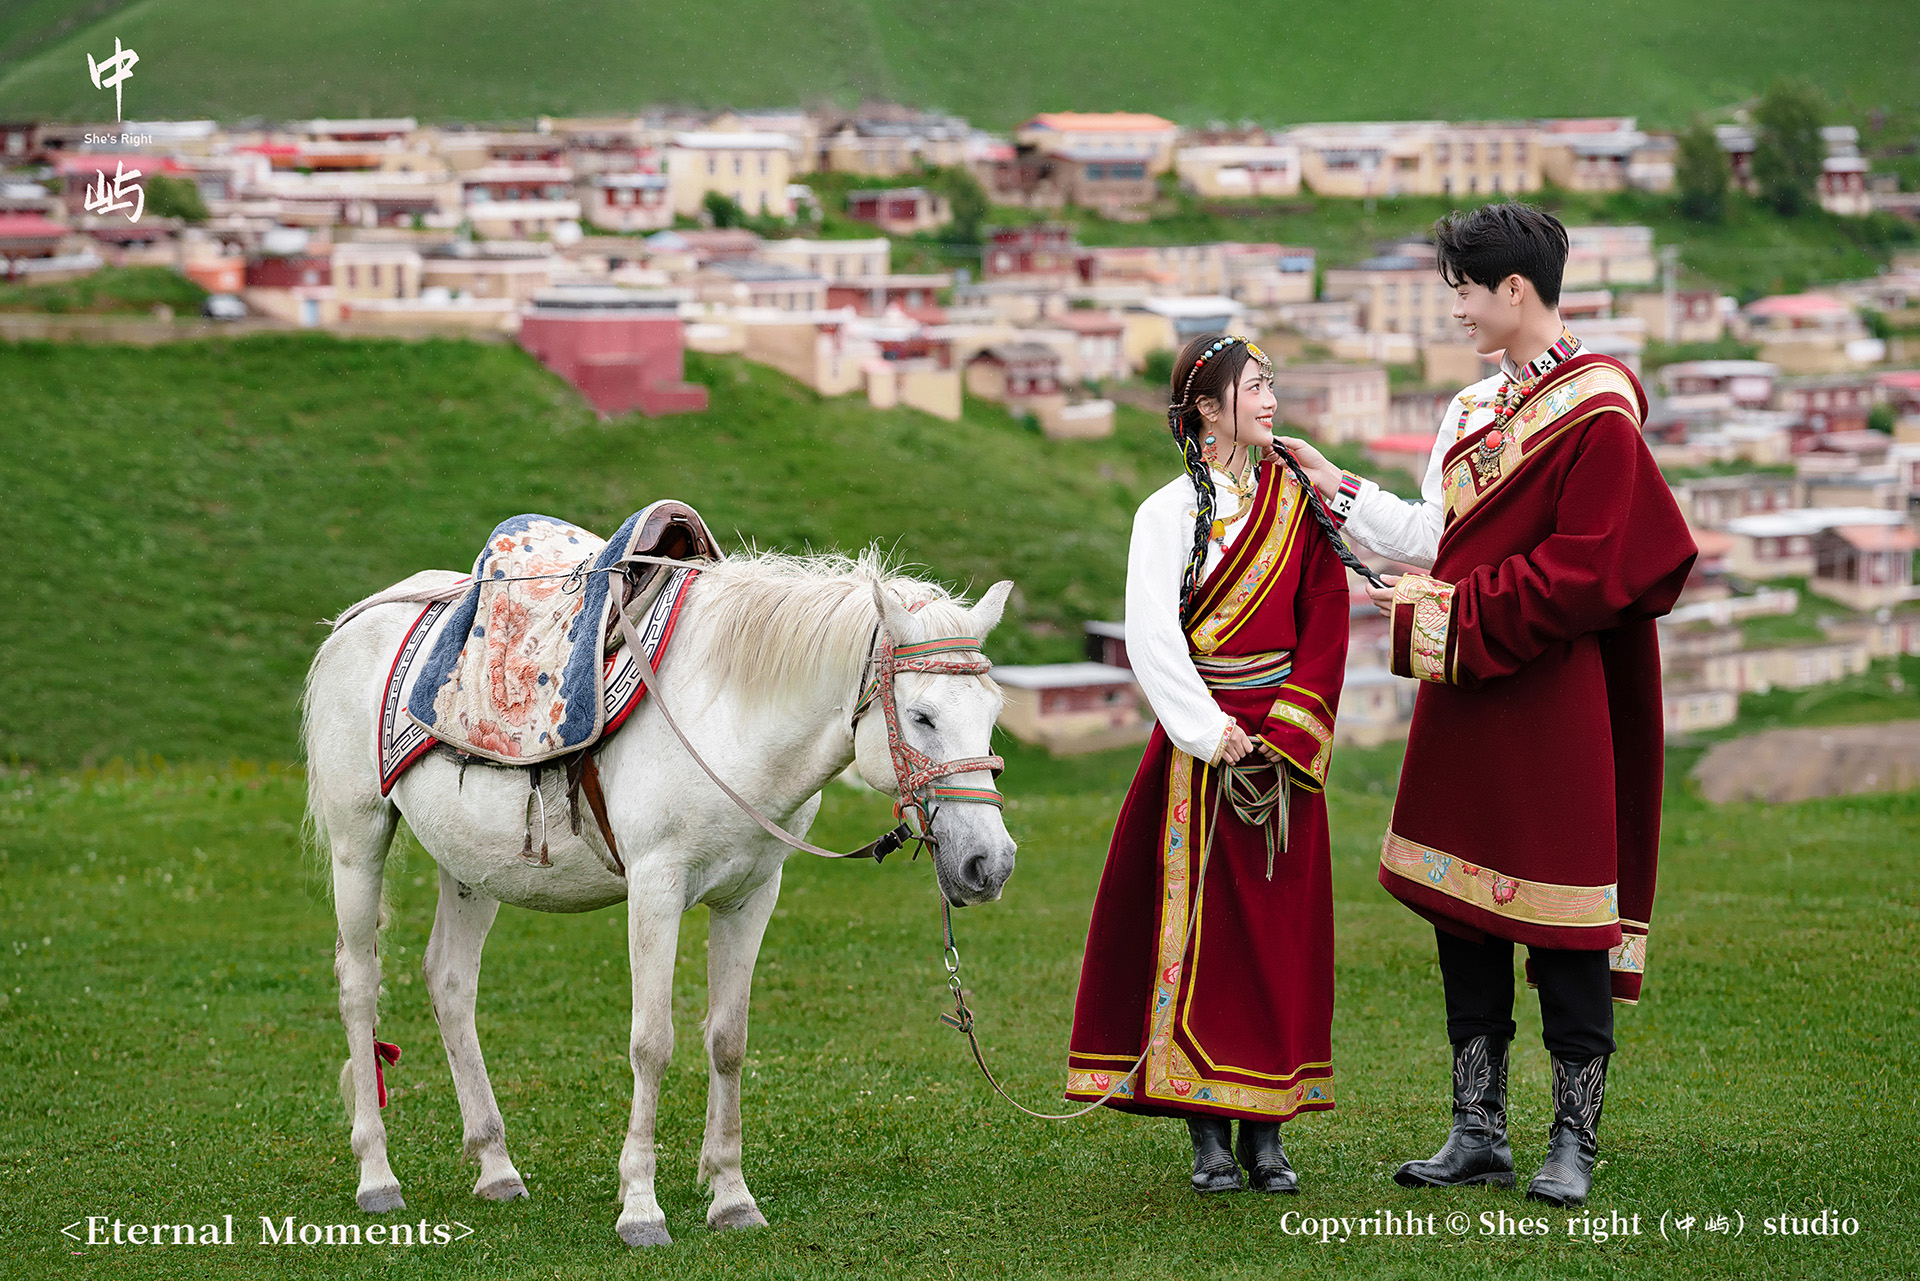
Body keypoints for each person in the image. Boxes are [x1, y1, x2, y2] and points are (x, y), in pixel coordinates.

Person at [1281, 203, 1697, 1208]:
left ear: (1515, 290)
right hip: (1469, 684)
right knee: (1462, 913)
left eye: (1463, 289)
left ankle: (1572, 1143)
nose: (1456, 308)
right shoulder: (1470, 412)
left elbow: (1589, 570)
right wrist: (1340, 492)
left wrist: (1453, 614)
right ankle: (1477, 1130)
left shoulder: (1600, 409)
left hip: (1553, 693)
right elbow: (1439, 537)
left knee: (1564, 919)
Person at [1065, 333, 1349, 1195]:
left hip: (1281, 756)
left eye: (1270, 385)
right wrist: (1208, 729)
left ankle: (1267, 1129)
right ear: (1206, 408)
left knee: (1273, 938)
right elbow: (1153, 636)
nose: (1269, 400)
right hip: (1200, 754)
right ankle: (1207, 1133)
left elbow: (1327, 611)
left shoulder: (1298, 504)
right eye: (1252, 387)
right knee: (1190, 938)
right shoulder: (1164, 514)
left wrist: (1292, 733)